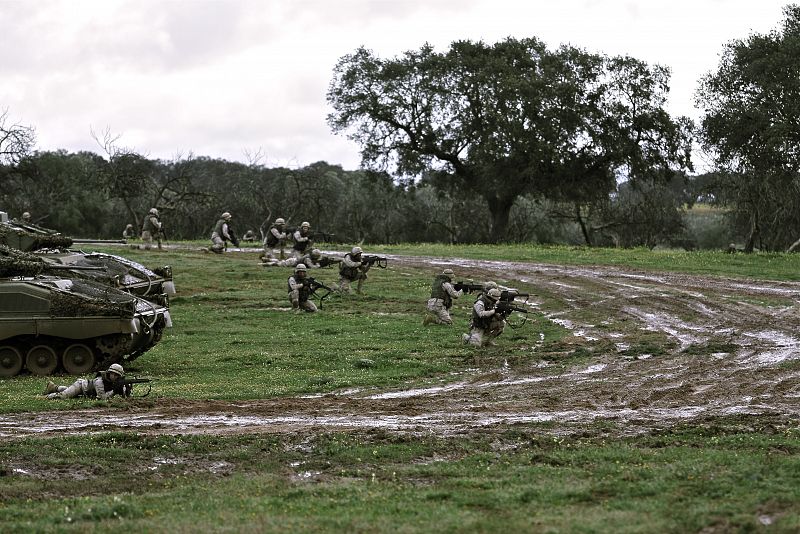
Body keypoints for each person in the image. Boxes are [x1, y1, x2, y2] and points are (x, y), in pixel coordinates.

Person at [43, 363, 129, 400]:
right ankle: (46, 397)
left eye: (117, 375)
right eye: (113, 374)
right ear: (109, 373)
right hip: (81, 386)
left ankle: (54, 387)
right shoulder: (100, 381)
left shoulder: (115, 382)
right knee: (63, 397)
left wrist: (124, 389)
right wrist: (114, 391)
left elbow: (124, 395)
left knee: (69, 391)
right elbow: (102, 398)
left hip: (87, 391)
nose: (114, 376)